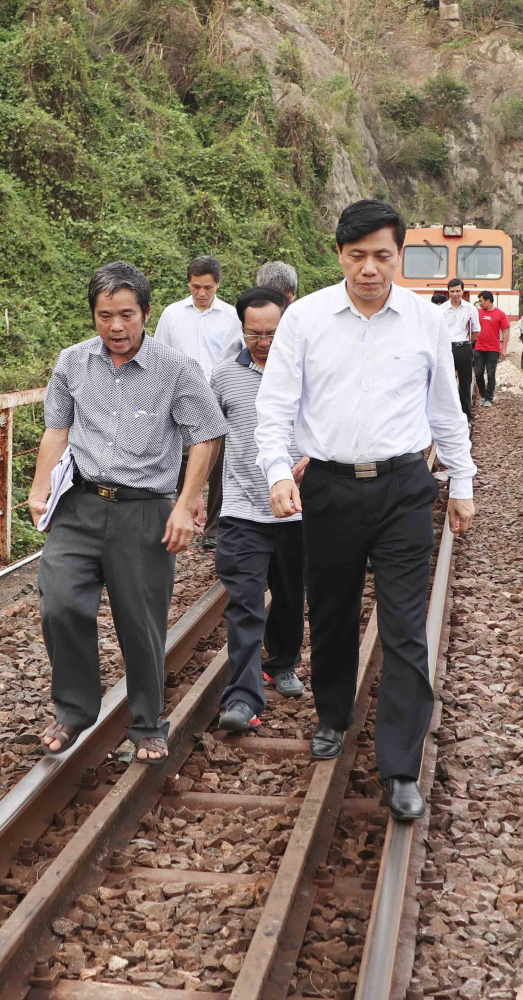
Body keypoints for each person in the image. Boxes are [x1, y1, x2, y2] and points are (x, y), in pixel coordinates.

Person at [254, 199, 476, 823]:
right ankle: (332, 715)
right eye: (358, 257)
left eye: (383, 256)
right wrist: (277, 473)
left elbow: (445, 409)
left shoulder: (426, 322)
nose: (371, 269)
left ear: (399, 254)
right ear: (339, 256)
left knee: (406, 628)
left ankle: (400, 766)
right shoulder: (304, 319)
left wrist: (461, 480)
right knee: (329, 610)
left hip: (404, 485)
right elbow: (274, 407)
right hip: (327, 485)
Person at [27, 262, 229, 765]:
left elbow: (207, 434)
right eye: (104, 316)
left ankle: (145, 722)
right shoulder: (72, 363)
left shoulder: (175, 368)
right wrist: (37, 490)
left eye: (126, 315)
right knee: (59, 603)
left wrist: (185, 504)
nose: (116, 327)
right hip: (78, 503)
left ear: (145, 312)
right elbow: (57, 429)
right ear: (92, 316)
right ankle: (75, 709)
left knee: (140, 622)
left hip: (145, 509)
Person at [205, 287, 307, 734]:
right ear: (242, 330)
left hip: (298, 510)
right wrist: (193, 498)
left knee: (289, 595)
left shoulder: (310, 372)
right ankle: (243, 699)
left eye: (271, 332)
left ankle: (283, 661)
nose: (263, 341)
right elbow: (209, 438)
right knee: (244, 604)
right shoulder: (225, 376)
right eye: (254, 333)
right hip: (242, 509)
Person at [155, 256, 239, 546]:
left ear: (217, 284)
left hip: (218, 396)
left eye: (207, 287)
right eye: (195, 287)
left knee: (218, 464)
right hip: (180, 394)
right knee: (176, 459)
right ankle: (176, 518)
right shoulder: (173, 314)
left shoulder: (231, 316)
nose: (201, 293)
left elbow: (236, 357)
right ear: (188, 283)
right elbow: (160, 353)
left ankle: (214, 529)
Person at [440, 278, 478, 420]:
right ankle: (448, 415)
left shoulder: (470, 309)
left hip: (464, 347)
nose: (455, 294)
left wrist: (467, 345)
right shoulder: (441, 309)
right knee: (446, 382)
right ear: (448, 292)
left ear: (463, 291)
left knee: (465, 383)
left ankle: (466, 416)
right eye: (452, 291)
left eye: (457, 291)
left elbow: (476, 331)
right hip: (447, 348)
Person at [473, 290, 509, 405]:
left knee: (491, 374)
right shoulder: (478, 313)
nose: (480, 304)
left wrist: (504, 348)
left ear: (488, 300)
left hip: (493, 349)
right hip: (479, 348)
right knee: (478, 374)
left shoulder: (500, 314)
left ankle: (489, 398)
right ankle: (483, 395)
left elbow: (504, 332)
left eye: (481, 301)